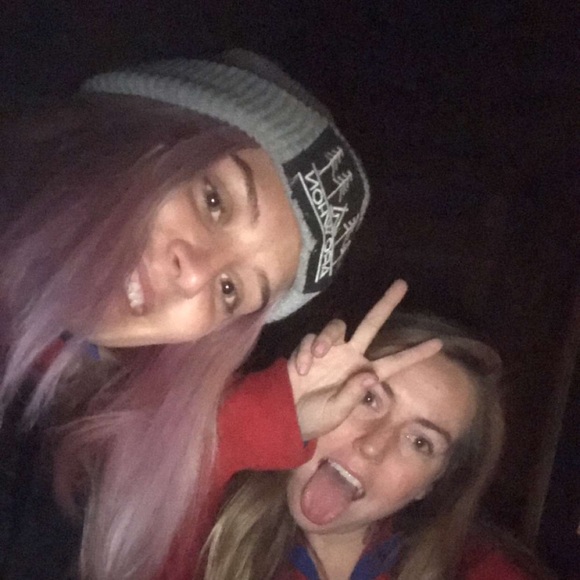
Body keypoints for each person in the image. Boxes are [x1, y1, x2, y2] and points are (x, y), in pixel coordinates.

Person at [0, 49, 370, 580]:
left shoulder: (77, 456)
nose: (195, 276)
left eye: (230, 290)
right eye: (213, 201)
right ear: (132, 127)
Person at [201, 311, 548, 579]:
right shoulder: (197, 518)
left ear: (430, 485)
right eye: (369, 398)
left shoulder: (479, 570)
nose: (373, 445)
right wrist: (268, 412)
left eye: (420, 442)